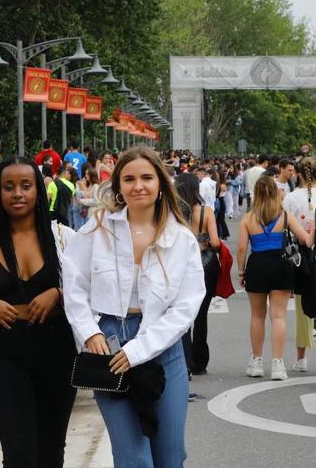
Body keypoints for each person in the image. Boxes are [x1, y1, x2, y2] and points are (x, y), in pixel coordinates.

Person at [63, 146, 205, 467]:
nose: (138, 185)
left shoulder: (181, 239)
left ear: (160, 184)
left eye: (146, 177)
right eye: (128, 179)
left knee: (170, 455)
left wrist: (139, 350)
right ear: (118, 186)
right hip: (108, 346)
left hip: (163, 347)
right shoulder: (96, 229)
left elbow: (185, 308)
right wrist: (89, 332)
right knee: (132, 456)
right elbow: (73, 286)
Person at [0, 158, 77, 468]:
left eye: (26, 186)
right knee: (18, 454)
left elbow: (90, 293)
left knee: (51, 452)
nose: (18, 194)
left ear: (39, 190)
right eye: (8, 187)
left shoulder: (65, 239)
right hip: (5, 355)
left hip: (57, 353)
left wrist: (60, 294)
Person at [238, 175, 313, 381]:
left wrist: (241, 271)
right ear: (275, 192)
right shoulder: (285, 215)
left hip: (257, 265)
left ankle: (257, 361)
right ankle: (278, 364)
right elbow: (305, 240)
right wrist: (313, 228)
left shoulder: (248, 218)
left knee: (257, 316)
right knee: (278, 316)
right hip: (281, 265)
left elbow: (242, 247)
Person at [283, 156, 316, 372]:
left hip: (300, 255)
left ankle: (301, 358)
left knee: (302, 308)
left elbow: (285, 227)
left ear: (298, 174)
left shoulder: (291, 198)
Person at [174, 172, 221, 375]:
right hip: (207, 264)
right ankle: (200, 360)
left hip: (182, 265)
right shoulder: (206, 211)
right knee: (201, 315)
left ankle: (186, 360)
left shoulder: (174, 212)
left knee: (182, 313)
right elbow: (216, 242)